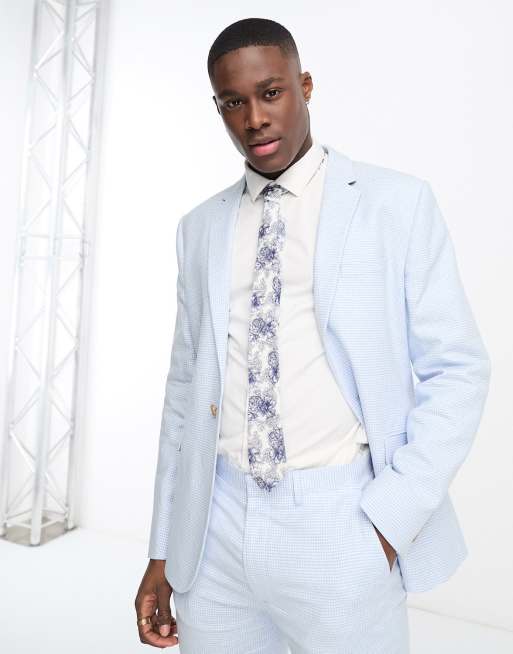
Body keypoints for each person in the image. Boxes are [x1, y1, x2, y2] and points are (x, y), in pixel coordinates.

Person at [135, 17, 491, 653]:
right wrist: (164, 548)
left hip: (340, 517)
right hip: (213, 528)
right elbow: (184, 393)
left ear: (304, 86)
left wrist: (390, 518)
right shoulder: (200, 228)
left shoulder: (395, 203)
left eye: (270, 93)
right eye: (233, 102)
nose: (254, 119)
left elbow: (458, 368)